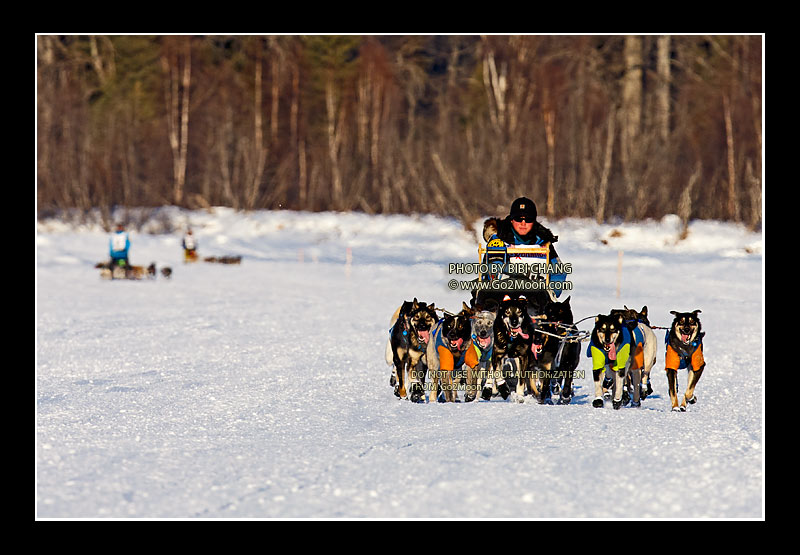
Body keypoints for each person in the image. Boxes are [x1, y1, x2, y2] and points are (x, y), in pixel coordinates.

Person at [477, 197, 568, 311]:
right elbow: (493, 270)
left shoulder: (543, 242)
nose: (523, 223)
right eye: (518, 219)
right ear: (511, 220)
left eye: (528, 219)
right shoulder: (498, 240)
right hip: (503, 293)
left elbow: (558, 271)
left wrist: (551, 292)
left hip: (535, 295)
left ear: (534, 221)